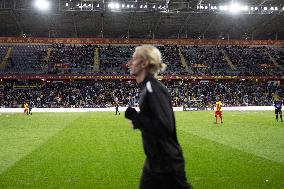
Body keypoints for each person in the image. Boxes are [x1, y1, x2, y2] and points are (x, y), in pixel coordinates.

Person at [124, 45, 193, 189]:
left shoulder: (153, 88)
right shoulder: (147, 87)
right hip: (154, 162)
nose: (130, 63)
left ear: (144, 63)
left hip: (167, 164)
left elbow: (164, 126)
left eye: (134, 59)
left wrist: (136, 118)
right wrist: (138, 120)